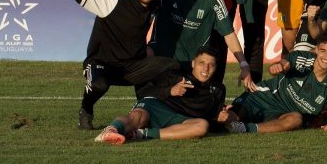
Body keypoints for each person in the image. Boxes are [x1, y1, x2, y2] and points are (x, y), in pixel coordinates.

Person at [30, 0, 177, 130]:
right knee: (99, 85)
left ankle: (148, 110)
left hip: (132, 67)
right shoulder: (111, 2)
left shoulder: (156, 4)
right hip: (102, 65)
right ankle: (86, 109)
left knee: (172, 66)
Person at [94, 46, 227, 144]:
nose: (206, 69)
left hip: (181, 121)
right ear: (193, 63)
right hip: (157, 106)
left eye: (211, 65)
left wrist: (221, 119)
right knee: (138, 116)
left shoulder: (218, 89)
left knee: (202, 126)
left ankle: (139, 134)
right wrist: (170, 91)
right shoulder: (176, 74)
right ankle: (111, 130)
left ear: (216, 67)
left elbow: (212, 122)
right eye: (201, 63)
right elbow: (144, 92)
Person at [225, 33, 327, 134]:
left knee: (296, 119)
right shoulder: (300, 58)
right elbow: (279, 66)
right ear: (316, 50)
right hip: (263, 97)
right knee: (228, 119)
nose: (326, 57)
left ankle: (245, 129)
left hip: (282, 115)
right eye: (323, 51)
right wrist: (278, 67)